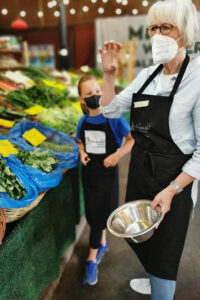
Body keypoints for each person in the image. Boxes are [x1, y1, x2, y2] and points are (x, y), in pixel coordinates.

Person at [99, 0, 200, 299]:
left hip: (175, 181)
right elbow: (110, 110)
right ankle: (153, 274)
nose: (157, 34)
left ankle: (159, 283)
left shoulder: (197, 78)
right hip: (142, 172)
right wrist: (108, 74)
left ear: (185, 31)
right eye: (153, 28)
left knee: (165, 257)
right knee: (136, 235)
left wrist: (171, 190)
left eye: (165, 27)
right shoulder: (149, 75)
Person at [76, 75, 134, 285]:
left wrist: (117, 155)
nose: (94, 96)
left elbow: (131, 140)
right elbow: (80, 142)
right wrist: (81, 152)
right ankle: (101, 244)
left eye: (97, 92)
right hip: (90, 174)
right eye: (89, 94)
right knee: (94, 213)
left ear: (103, 92)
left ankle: (92, 257)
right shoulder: (83, 121)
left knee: (103, 212)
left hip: (108, 175)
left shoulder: (114, 118)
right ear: (82, 99)